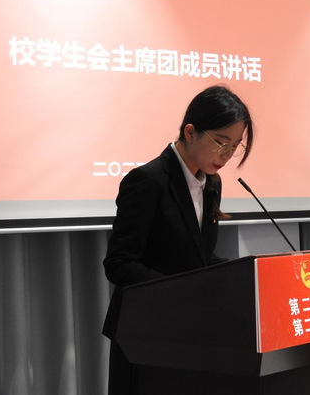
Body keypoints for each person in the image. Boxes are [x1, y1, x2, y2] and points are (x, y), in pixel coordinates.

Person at [102, 84, 254, 395]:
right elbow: (119, 263)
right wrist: (178, 292)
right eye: (221, 142)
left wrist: (241, 273)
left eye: (234, 146)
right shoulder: (147, 180)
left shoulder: (211, 183)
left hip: (188, 332)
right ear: (190, 132)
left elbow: (198, 256)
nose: (227, 155)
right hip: (143, 334)